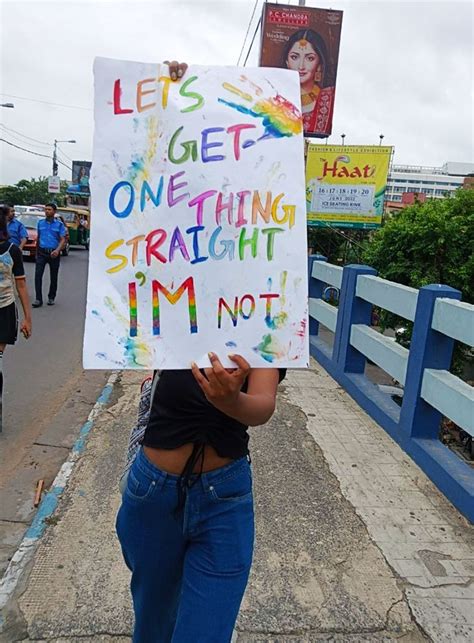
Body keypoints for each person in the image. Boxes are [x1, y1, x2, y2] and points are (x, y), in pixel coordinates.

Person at [115, 60, 285, 643]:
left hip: (226, 498)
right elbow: (146, 181)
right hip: (153, 491)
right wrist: (167, 99)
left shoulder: (270, 297)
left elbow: (262, 405)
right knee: (153, 629)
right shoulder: (168, 269)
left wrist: (231, 402)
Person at [0, 205, 32, 429]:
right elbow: (20, 285)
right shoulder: (13, 249)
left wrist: (28, 319)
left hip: (4, 310)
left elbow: (21, 284)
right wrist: (28, 319)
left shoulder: (12, 250)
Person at [283, 28, 336, 136]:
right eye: (294, 57)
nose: (301, 66)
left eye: (310, 58)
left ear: (319, 65)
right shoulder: (273, 96)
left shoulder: (328, 97)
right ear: (287, 62)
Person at [33, 203, 66, 307]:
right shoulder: (40, 223)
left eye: (49, 209)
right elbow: (38, 237)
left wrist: (57, 250)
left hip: (54, 253)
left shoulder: (59, 225)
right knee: (38, 276)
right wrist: (36, 252)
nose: (47, 211)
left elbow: (62, 240)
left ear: (54, 212)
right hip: (42, 253)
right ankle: (38, 299)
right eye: (46, 209)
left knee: (53, 276)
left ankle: (51, 297)